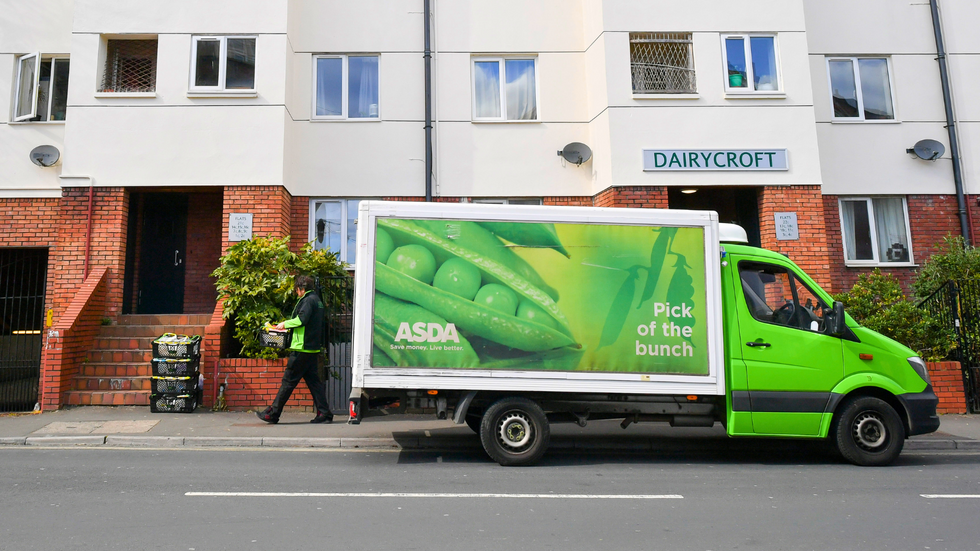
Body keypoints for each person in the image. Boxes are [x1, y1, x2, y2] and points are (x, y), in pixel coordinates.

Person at [257, 275, 333, 424]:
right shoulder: (317, 300)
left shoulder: (308, 300)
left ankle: (273, 413)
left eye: (296, 290)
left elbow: (301, 320)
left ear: (301, 289)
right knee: (314, 383)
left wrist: (284, 324)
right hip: (311, 348)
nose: (296, 292)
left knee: (288, 381)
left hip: (301, 349)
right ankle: (325, 413)